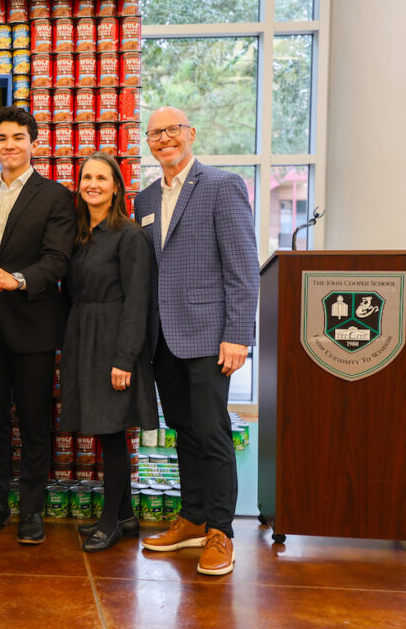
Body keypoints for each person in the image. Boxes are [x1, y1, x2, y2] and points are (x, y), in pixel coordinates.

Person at [134, 106, 258, 576]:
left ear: (190, 133)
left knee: (211, 431)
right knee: (183, 430)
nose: (164, 139)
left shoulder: (222, 186)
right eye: (155, 133)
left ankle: (221, 531)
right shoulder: (145, 199)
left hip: (210, 337)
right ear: (149, 142)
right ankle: (192, 517)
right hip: (163, 338)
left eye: (172, 130)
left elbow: (243, 267)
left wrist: (238, 335)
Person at [0, 106, 74, 546]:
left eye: (17, 137)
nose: (8, 145)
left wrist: (16, 280)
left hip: (33, 325)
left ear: (33, 142)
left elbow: (57, 260)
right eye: (1, 138)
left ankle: (31, 509)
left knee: (35, 422)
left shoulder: (55, 196)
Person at [58, 152, 157, 552]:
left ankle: (109, 522)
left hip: (114, 341)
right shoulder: (82, 234)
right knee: (103, 428)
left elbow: (138, 301)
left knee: (113, 434)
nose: (92, 183)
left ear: (116, 186)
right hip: (85, 337)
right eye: (86, 177)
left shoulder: (129, 235)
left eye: (102, 177)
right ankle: (128, 517)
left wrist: (124, 359)